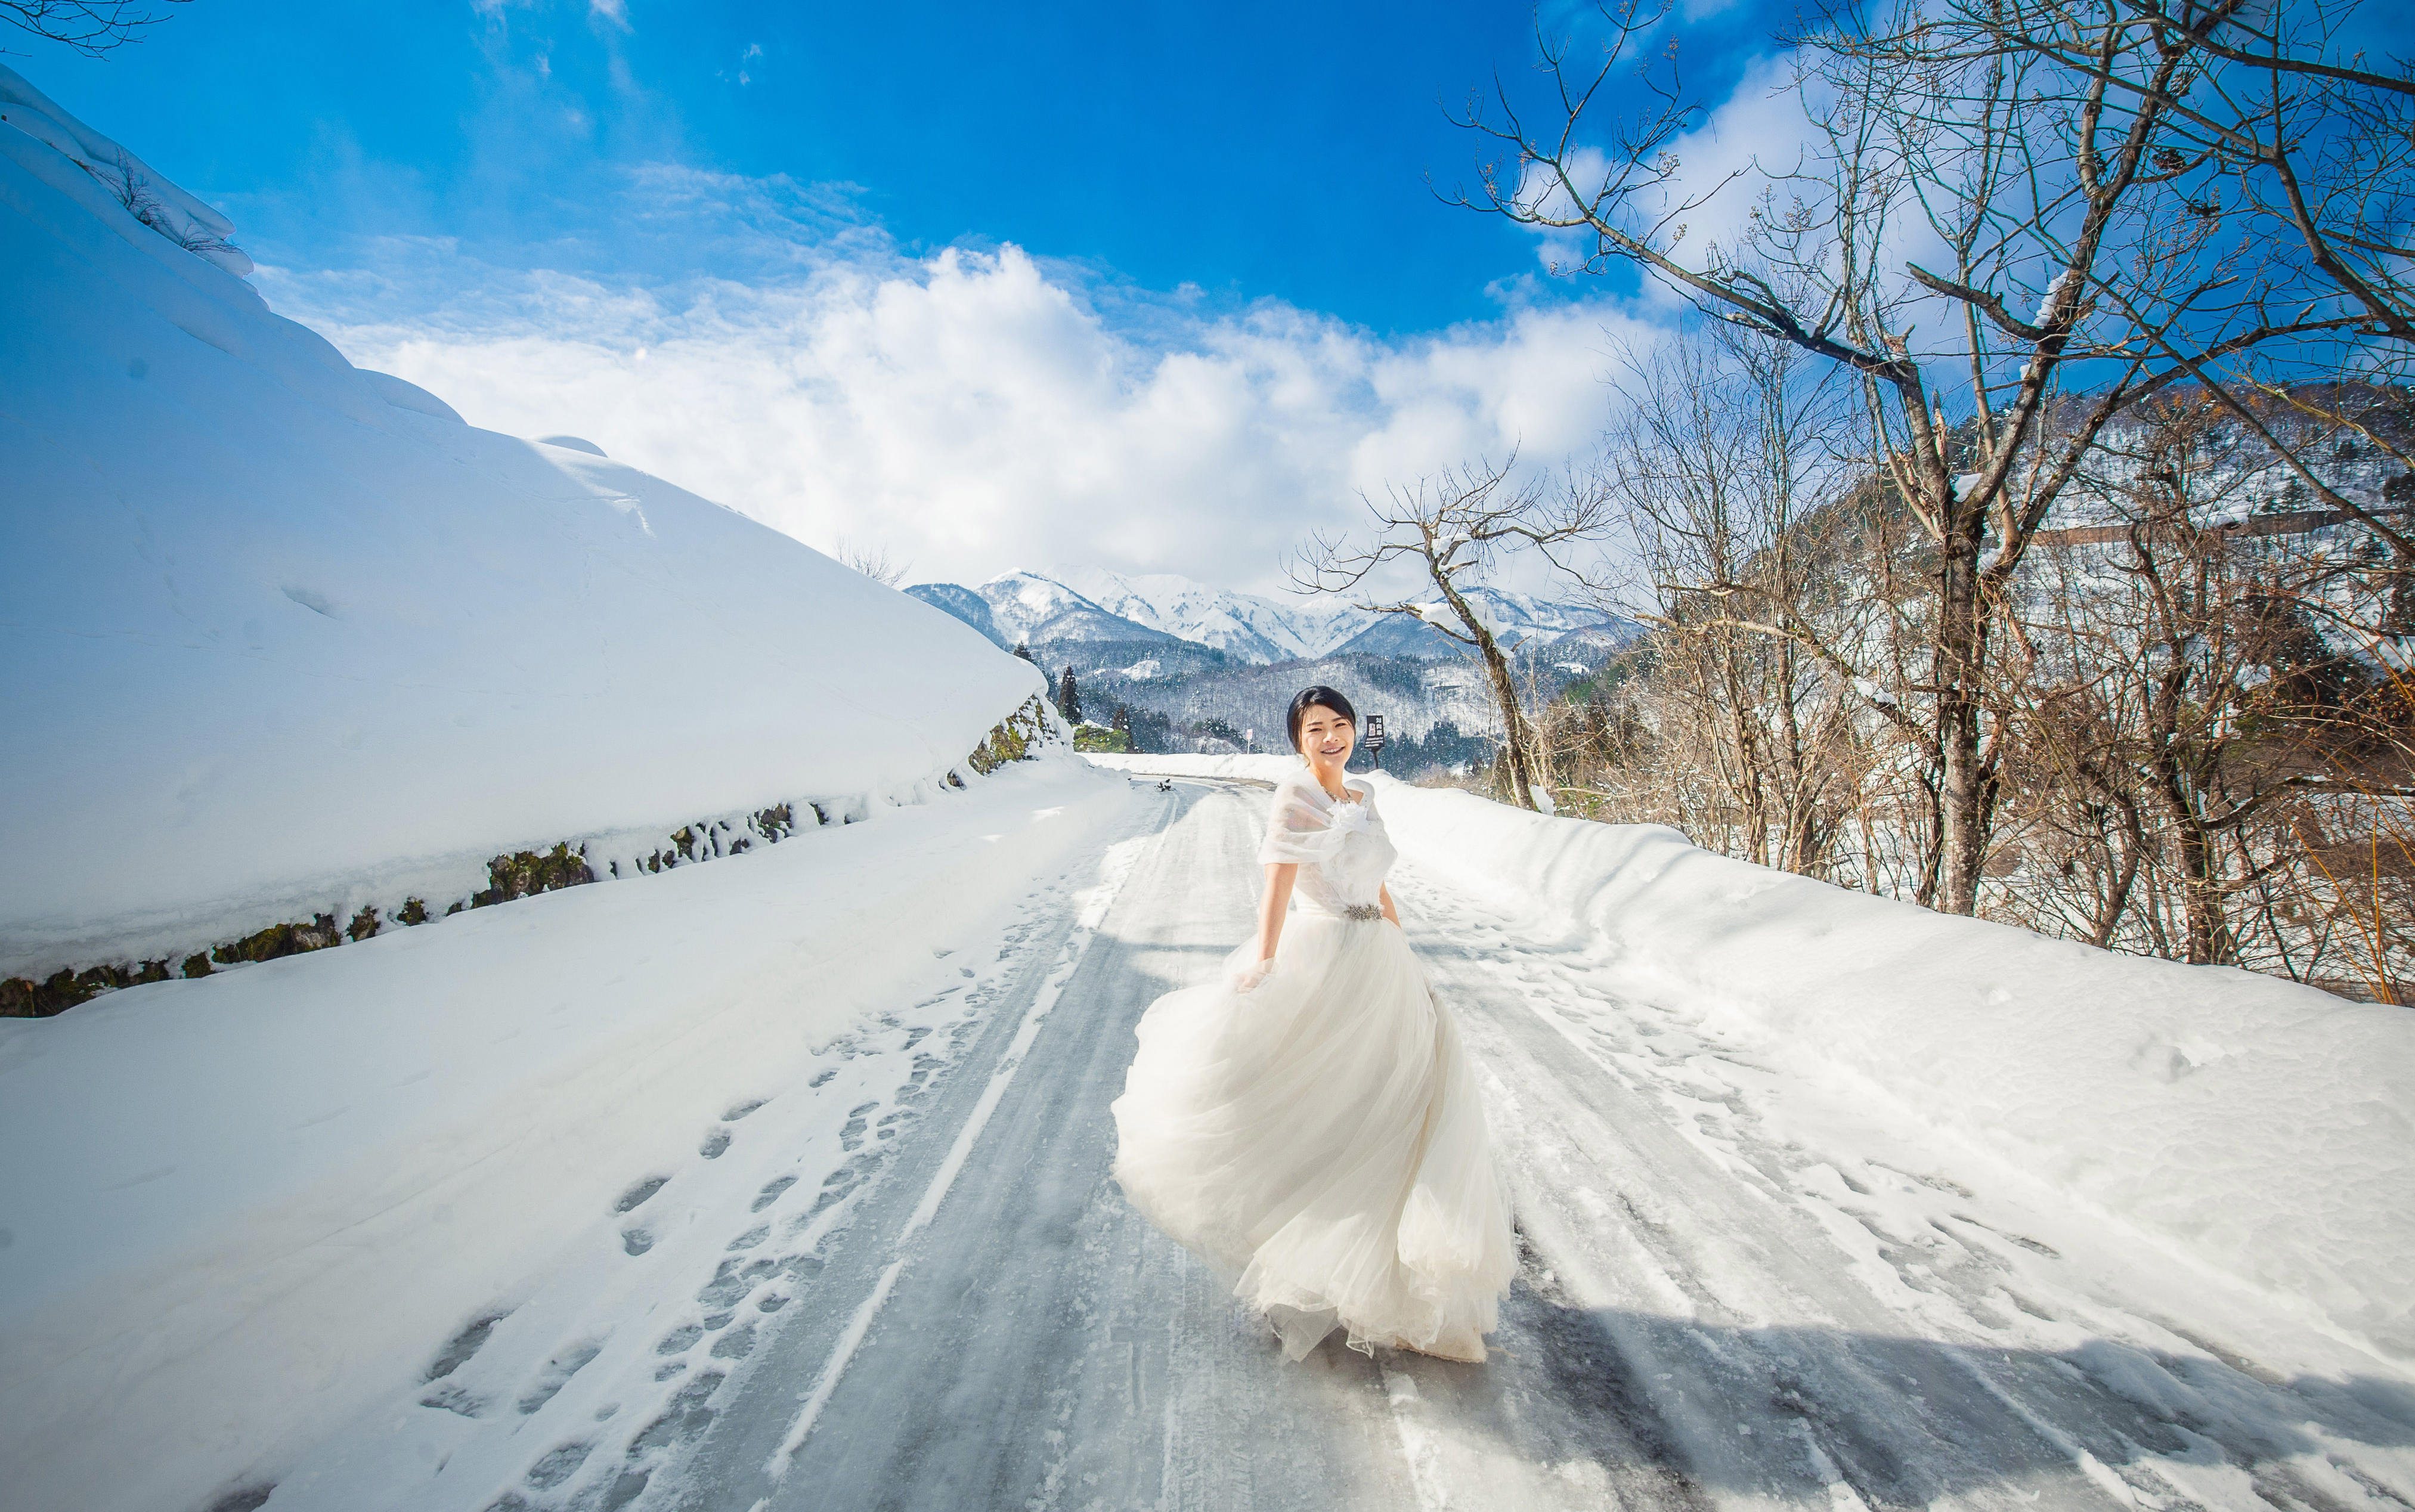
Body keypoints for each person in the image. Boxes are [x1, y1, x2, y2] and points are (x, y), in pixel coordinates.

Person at [1110, 686, 1516, 1362]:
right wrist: (1264, 960)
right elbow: (1277, 876)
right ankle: (1323, 1267)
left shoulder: (1363, 794)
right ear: (1298, 739)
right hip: (1326, 955)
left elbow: (1379, 883)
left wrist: (1404, 947)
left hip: (1380, 957)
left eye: (1340, 725)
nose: (1331, 738)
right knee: (1335, 1113)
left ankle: (1408, 1288)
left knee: (1404, 1108)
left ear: (1355, 729)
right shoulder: (1295, 795)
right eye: (1316, 728)